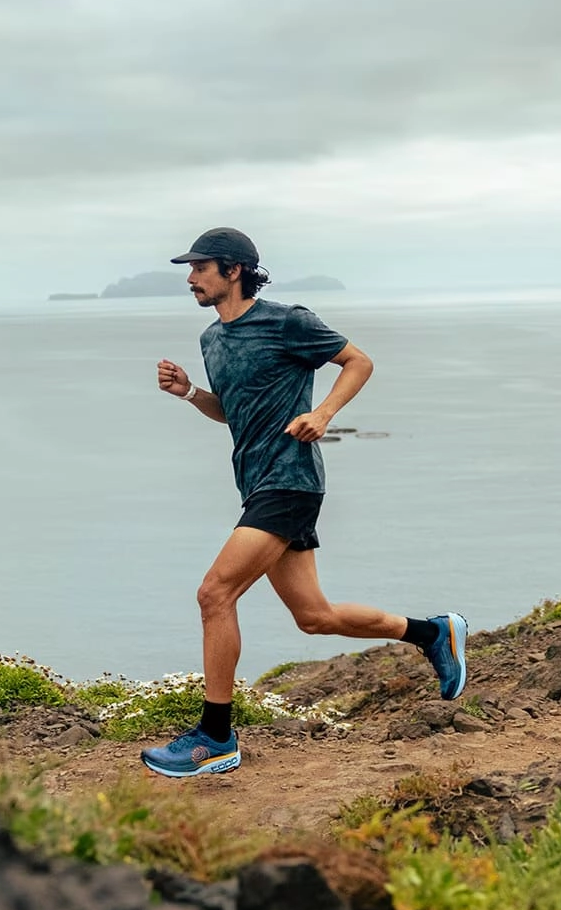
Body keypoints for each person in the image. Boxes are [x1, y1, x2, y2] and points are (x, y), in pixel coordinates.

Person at [142, 226, 467, 778]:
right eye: (190, 270)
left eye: (200, 268)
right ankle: (433, 632)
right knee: (315, 617)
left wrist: (323, 414)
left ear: (234, 270)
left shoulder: (287, 321)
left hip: (290, 480)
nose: (191, 278)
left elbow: (358, 361)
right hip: (255, 483)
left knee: (215, 594)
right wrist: (191, 393)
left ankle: (215, 737)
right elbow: (231, 412)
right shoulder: (212, 339)